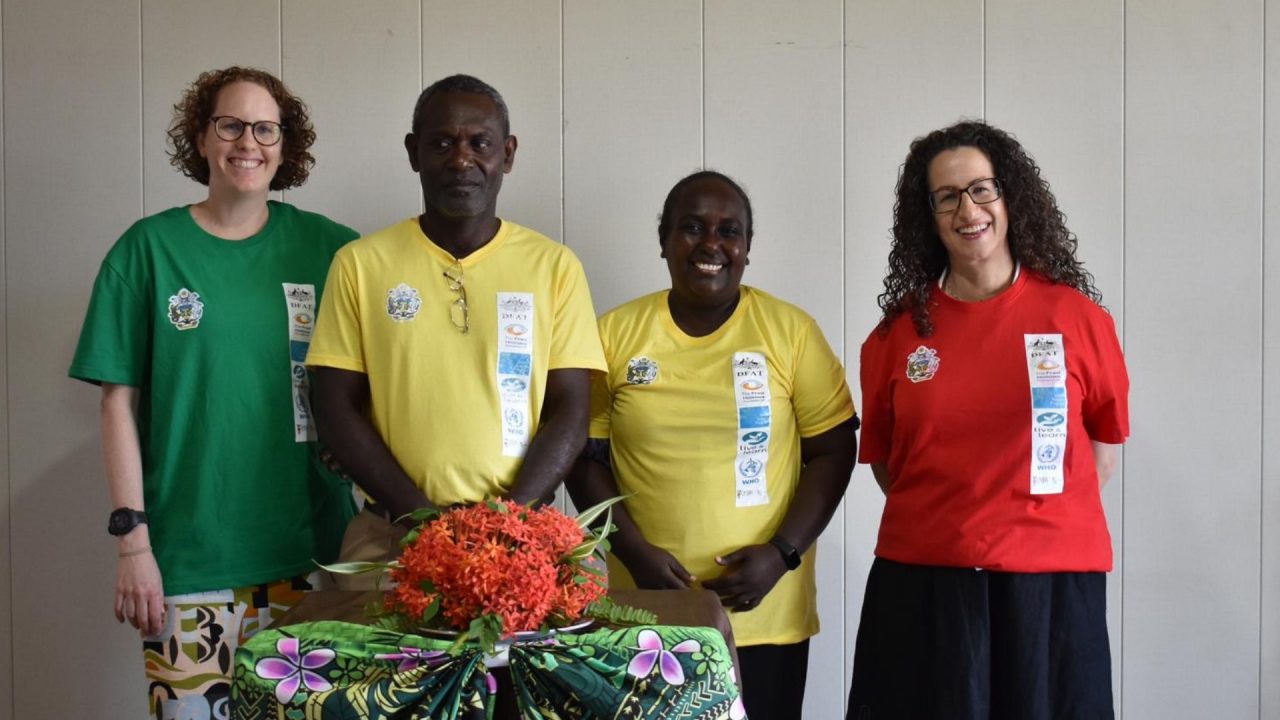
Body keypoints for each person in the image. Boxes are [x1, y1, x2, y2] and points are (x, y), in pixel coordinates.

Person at [68, 67, 359, 717]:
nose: (247, 142)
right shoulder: (147, 252)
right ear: (201, 137)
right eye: (230, 124)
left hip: (316, 558)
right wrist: (133, 544)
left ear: (286, 146)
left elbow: (386, 377)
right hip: (189, 561)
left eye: (265, 128)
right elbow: (117, 404)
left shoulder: (335, 251)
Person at [847, 120, 1130, 720]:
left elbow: (1102, 452)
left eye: (981, 189)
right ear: (927, 214)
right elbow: (887, 462)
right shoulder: (897, 334)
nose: (967, 209)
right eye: (946, 196)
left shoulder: (1077, 320)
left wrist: (1021, 521)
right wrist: (956, 522)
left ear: (1010, 196)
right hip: (924, 582)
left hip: (1050, 587)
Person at [566, 171, 859, 719]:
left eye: (730, 231)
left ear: (747, 248)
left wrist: (783, 554)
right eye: (692, 227)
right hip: (644, 609)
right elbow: (583, 460)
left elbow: (834, 450)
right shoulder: (614, 334)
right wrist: (635, 554)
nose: (711, 244)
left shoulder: (791, 333)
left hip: (764, 612)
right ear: (663, 240)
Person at [306, 75, 605, 577]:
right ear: (413, 152)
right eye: (442, 142)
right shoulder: (360, 264)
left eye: (479, 143)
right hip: (393, 534)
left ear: (506, 154)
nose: (461, 160)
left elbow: (572, 408)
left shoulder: (554, 267)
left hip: (527, 531)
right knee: (367, 656)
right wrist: (424, 519)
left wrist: (509, 520)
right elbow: (334, 406)